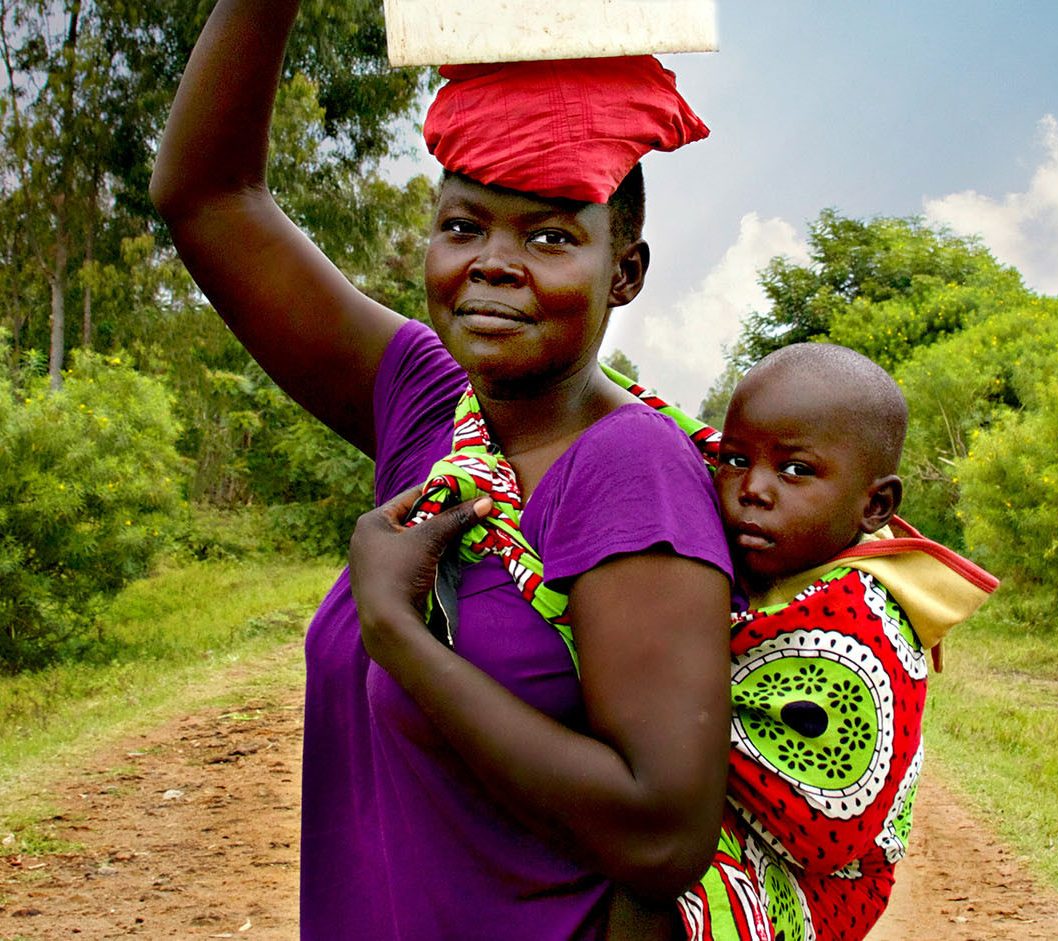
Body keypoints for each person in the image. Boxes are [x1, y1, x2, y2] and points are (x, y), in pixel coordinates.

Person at [150, 3, 733, 938]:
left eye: (550, 236)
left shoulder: (629, 465)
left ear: (625, 271)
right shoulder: (430, 403)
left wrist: (398, 633)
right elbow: (209, 200)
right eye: (464, 226)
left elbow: (663, 834)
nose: (493, 264)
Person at [674, 343, 999, 941]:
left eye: (796, 470)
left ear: (875, 505)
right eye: (736, 459)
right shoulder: (787, 567)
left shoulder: (854, 613)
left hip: (817, 889)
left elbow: (828, 814)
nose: (753, 489)